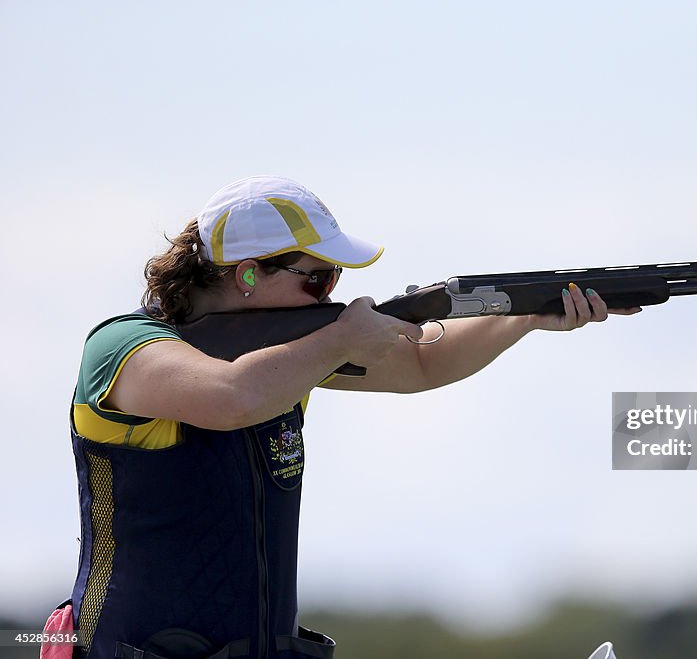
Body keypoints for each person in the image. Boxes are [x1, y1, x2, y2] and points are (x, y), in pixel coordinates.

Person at [60, 175, 638, 659]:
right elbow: (231, 399)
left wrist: (528, 316)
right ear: (249, 274)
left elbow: (419, 364)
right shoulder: (123, 347)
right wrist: (339, 339)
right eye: (316, 278)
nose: (330, 295)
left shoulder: (291, 356)